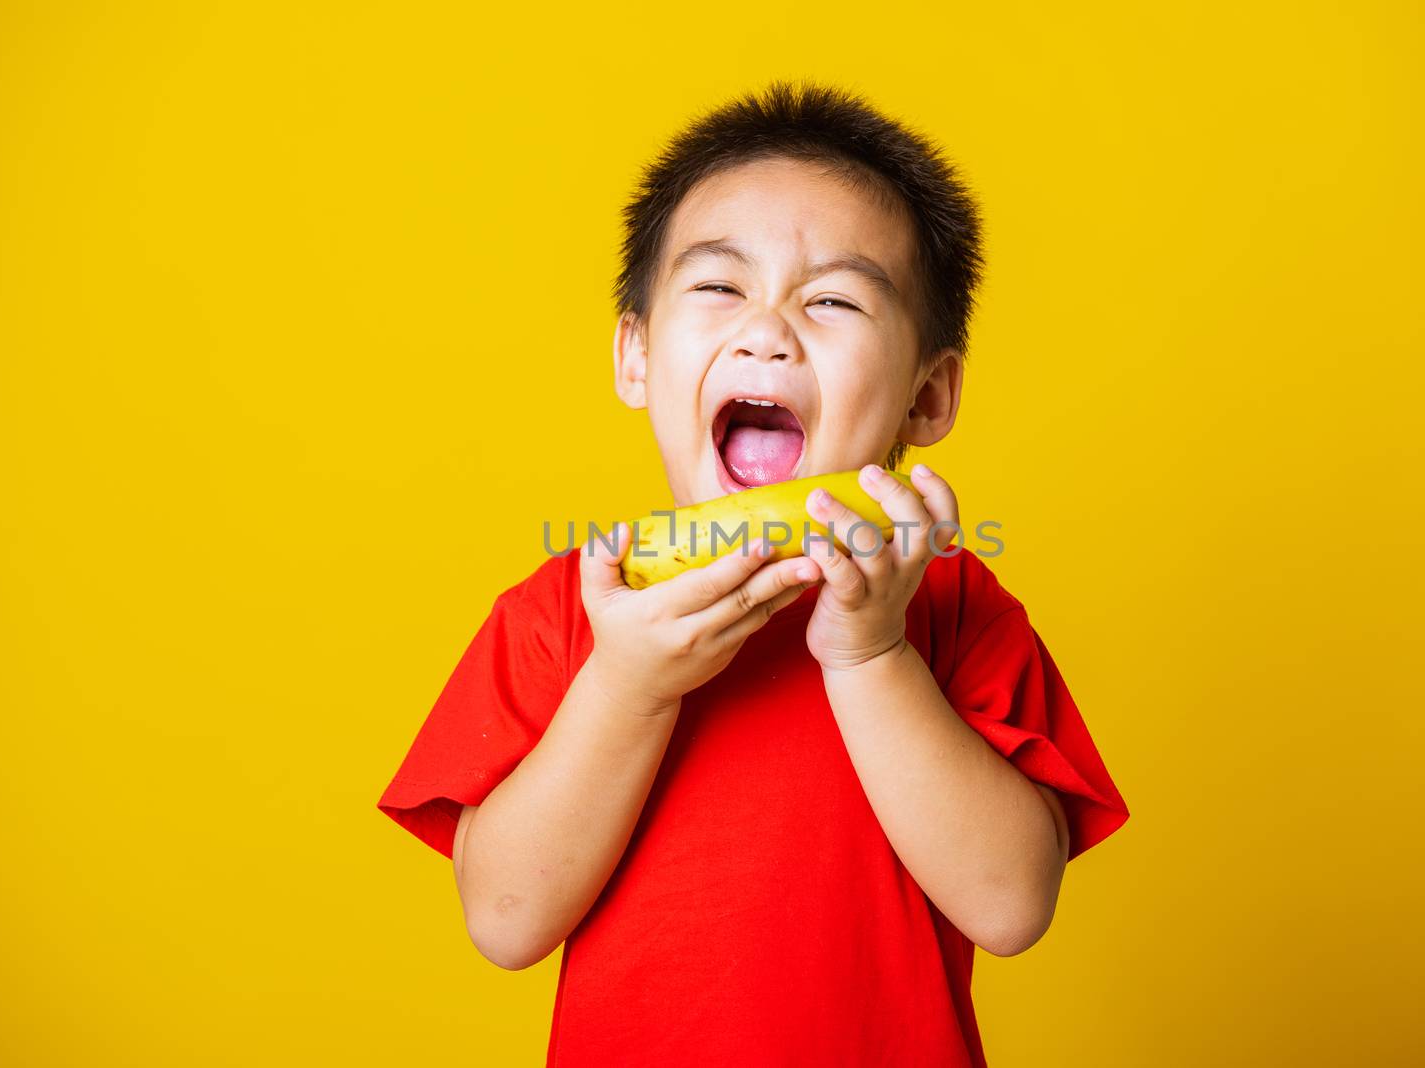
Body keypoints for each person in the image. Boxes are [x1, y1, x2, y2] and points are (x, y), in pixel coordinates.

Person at [376, 79, 1130, 1067]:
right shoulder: (567, 613)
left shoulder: (947, 607)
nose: (767, 329)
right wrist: (626, 687)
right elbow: (506, 921)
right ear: (636, 355)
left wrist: (872, 657)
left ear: (927, 396)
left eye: (832, 300)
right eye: (719, 287)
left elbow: (1010, 905)